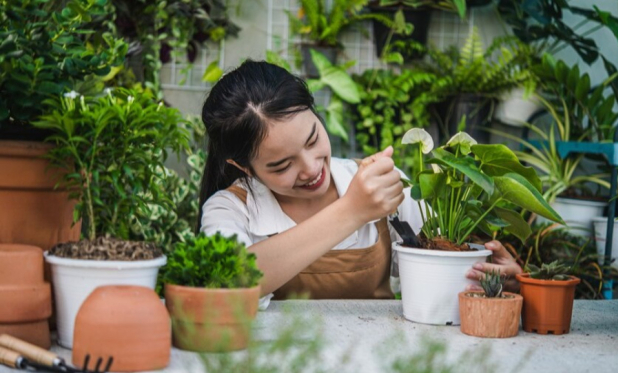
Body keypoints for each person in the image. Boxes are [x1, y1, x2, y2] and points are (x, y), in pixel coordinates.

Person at [199, 60, 522, 307]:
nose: (311, 169)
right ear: (243, 167)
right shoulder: (229, 209)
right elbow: (228, 287)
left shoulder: (374, 184)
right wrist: (351, 211)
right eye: (282, 165)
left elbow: (445, 272)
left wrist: (500, 280)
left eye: (313, 140)